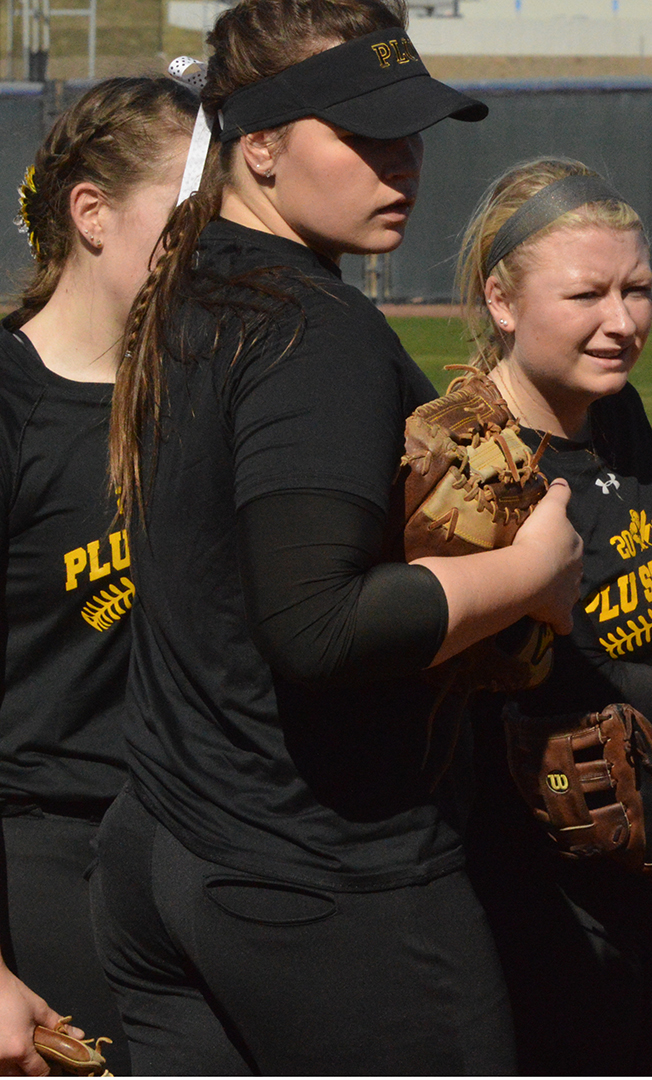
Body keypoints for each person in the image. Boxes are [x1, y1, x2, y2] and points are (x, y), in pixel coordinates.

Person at [86, 1, 583, 1072]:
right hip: (314, 874)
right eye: (362, 136)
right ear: (258, 146)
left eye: (409, 133)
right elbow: (317, 625)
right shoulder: (315, 329)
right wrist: (531, 572)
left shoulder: (183, 287)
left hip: (163, 846)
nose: (400, 161)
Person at [450, 157, 652, 1075]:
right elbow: (538, 696)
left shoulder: (615, 416)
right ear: (503, 303)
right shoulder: (473, 464)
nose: (622, 320)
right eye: (586, 292)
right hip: (540, 889)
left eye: (638, 289)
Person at [1, 74, 193, 1079]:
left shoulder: (219, 395)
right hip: (42, 862)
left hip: (196, 853)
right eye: (185, 214)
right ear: (91, 213)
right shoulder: (12, 405)